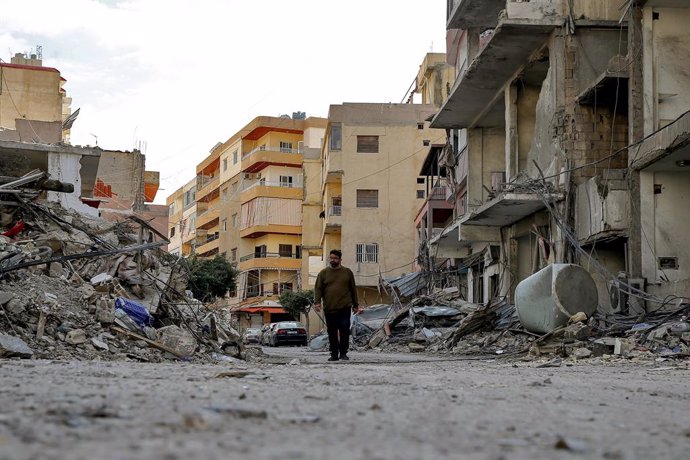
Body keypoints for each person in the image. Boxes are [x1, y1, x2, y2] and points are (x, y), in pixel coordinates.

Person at [314, 249, 359, 362]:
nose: (332, 260)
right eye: (331, 258)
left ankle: (343, 353)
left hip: (345, 307)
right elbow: (318, 289)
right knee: (332, 332)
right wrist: (317, 302)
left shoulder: (347, 272)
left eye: (335, 258)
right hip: (330, 307)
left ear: (340, 259)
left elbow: (353, 289)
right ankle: (334, 354)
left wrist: (355, 304)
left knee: (344, 330)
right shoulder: (323, 273)